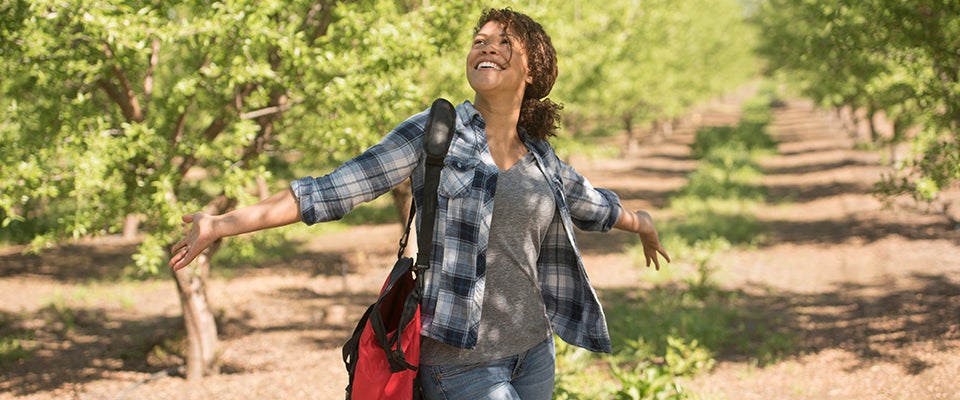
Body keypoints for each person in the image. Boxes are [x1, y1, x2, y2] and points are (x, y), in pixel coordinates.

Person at [169, 7, 670, 400]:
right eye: (479, 41)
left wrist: (641, 222)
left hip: (534, 353)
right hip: (459, 362)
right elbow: (332, 189)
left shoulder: (540, 157)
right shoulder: (434, 133)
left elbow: (592, 204)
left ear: (534, 69)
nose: (486, 48)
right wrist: (221, 224)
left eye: (503, 43)